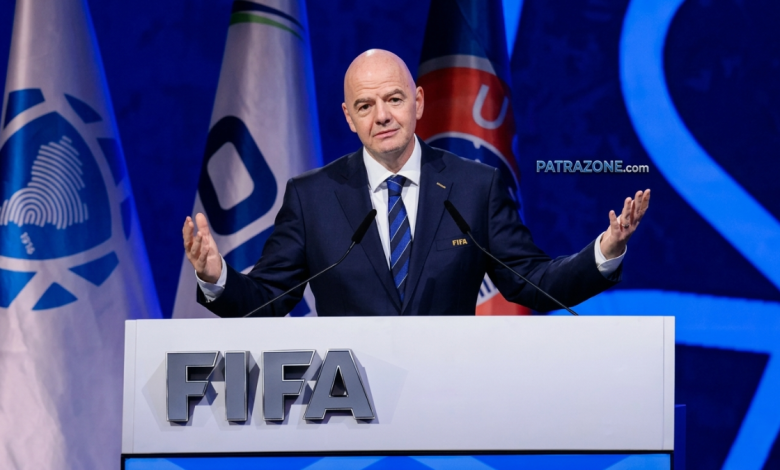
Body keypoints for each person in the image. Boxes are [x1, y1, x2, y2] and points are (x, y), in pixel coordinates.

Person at [182, 49, 650, 317]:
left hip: (448, 406)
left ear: (418, 102)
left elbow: (533, 282)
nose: (382, 116)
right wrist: (216, 277)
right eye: (365, 106)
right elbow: (267, 299)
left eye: (394, 99)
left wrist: (604, 251)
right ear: (348, 118)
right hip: (349, 413)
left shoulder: (474, 187)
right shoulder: (312, 198)